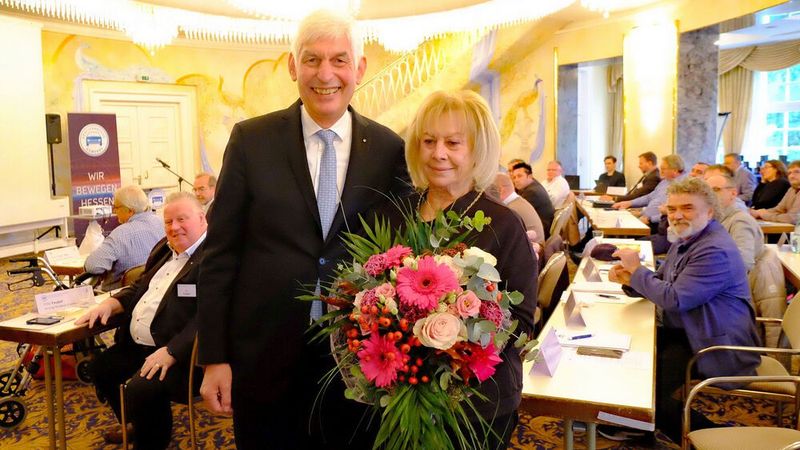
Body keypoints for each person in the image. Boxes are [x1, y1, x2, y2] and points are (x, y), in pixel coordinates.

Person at [196, 10, 409, 449]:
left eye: (339, 60)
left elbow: (400, 253)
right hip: (264, 357)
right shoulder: (250, 140)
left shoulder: (389, 149)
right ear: (292, 66)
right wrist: (213, 358)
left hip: (358, 357)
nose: (325, 74)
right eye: (311, 60)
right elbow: (219, 256)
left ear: (360, 68)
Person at [381, 89, 537, 448]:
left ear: (477, 150)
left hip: (477, 403)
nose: (439, 153)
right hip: (404, 397)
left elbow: (522, 323)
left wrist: (454, 336)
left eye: (453, 142)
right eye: (429, 141)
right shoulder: (394, 213)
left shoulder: (503, 224)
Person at [609, 177, 761, 443]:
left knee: (647, 390)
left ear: (710, 211)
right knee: (632, 362)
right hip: (690, 328)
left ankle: (720, 440)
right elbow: (662, 279)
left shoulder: (714, 249)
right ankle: (636, 423)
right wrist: (629, 280)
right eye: (672, 208)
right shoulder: (688, 237)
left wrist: (637, 272)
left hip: (714, 341)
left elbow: (676, 298)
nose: (678, 215)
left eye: (688, 208)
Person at [76, 192, 207, 448]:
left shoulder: (212, 258)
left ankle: (151, 442)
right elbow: (139, 286)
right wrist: (112, 303)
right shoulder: (163, 248)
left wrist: (171, 350)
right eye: (168, 221)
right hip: (141, 344)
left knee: (141, 389)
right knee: (101, 370)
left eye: (182, 219)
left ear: (202, 219)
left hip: (182, 354)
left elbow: (210, 315)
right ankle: (137, 423)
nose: (174, 227)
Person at [84, 185, 164, 291]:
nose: (114, 211)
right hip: (154, 291)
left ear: (130, 211)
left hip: (119, 298)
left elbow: (93, 266)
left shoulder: (120, 234)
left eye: (116, 207)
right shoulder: (162, 223)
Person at [705, 173, 764, 271]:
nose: (710, 195)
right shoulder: (713, 217)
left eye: (715, 190)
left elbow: (743, 262)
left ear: (733, 193)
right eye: (707, 191)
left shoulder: (740, 221)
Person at [613, 154, 686, 227]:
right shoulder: (665, 181)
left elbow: (673, 212)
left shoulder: (682, 186)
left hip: (655, 224)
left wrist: (650, 219)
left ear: (675, 170)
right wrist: (630, 203)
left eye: (663, 168)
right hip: (645, 218)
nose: (661, 171)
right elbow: (649, 197)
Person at [494, 172, 545, 245]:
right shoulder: (517, 202)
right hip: (534, 248)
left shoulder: (510, 210)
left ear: (500, 190)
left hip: (533, 251)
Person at [511, 161, 555, 237]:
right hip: (543, 227)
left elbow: (516, 214)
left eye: (520, 176)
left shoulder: (532, 192)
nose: (516, 180)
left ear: (530, 176)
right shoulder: (534, 186)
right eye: (514, 177)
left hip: (540, 232)